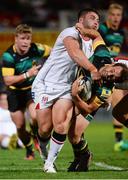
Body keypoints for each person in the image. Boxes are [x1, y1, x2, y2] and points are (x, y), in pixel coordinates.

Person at [32, 8, 102, 173]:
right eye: (92, 18)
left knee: (61, 125)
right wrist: (92, 69)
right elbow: (74, 53)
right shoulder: (68, 32)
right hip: (45, 84)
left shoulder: (92, 44)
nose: (96, 22)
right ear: (80, 20)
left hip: (67, 88)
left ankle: (49, 164)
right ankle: (42, 148)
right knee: (44, 128)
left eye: (98, 20)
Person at [1, 24, 51, 159]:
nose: (25, 42)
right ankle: (29, 150)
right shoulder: (8, 56)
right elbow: (8, 81)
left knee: (35, 117)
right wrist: (28, 74)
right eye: (22, 38)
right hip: (14, 93)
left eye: (28, 38)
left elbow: (54, 51)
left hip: (31, 90)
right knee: (20, 126)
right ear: (16, 39)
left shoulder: (36, 48)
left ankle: (36, 136)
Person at [68, 61, 128, 172]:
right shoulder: (105, 61)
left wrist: (75, 96)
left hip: (91, 98)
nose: (110, 73)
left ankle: (80, 158)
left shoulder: (117, 74)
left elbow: (109, 90)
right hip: (90, 96)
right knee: (74, 135)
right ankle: (83, 156)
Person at [99, 3, 128, 151]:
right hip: (104, 70)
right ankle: (118, 140)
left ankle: (119, 140)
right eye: (113, 15)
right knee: (116, 106)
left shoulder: (121, 33)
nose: (116, 18)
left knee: (119, 105)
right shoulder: (102, 29)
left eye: (119, 15)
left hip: (116, 71)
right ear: (108, 16)